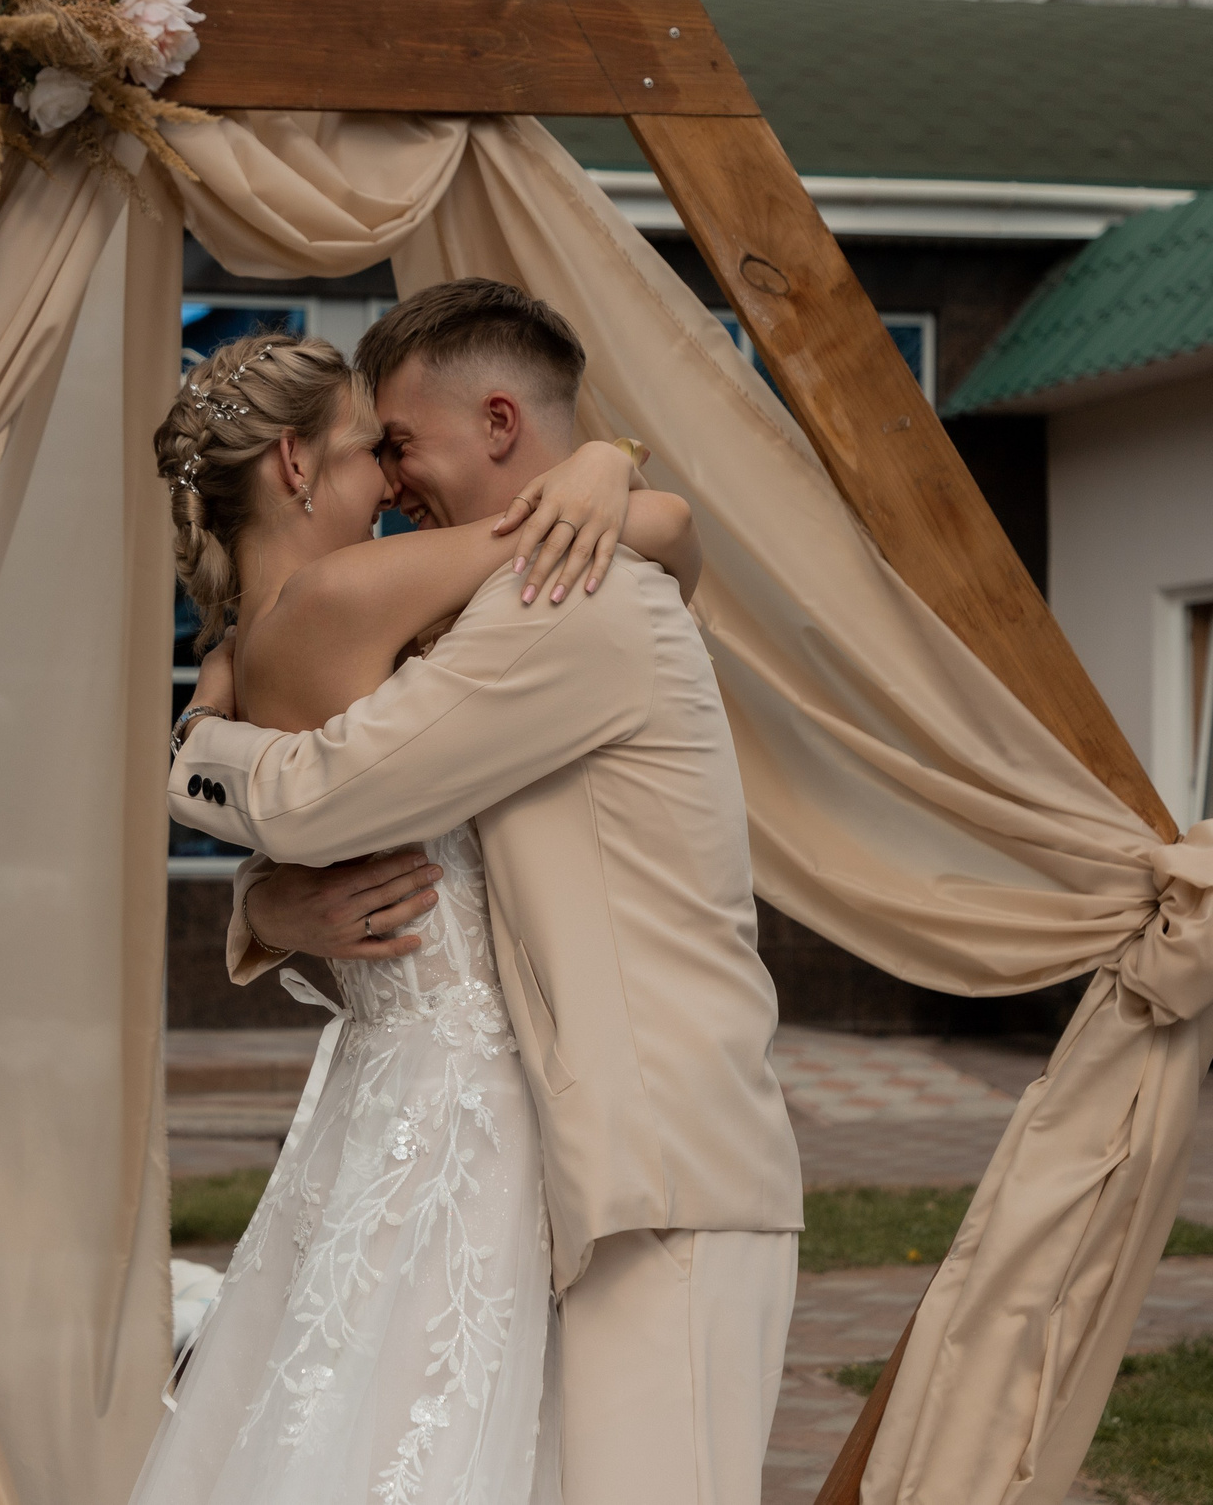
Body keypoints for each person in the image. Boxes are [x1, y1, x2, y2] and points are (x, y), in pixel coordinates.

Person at [169, 280, 804, 1505]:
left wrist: (191, 754)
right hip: (574, 1170)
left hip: (663, 1172)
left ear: (501, 423)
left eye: (401, 443)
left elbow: (319, 796)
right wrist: (272, 914)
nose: (395, 483)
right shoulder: (502, 592)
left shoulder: (570, 598)